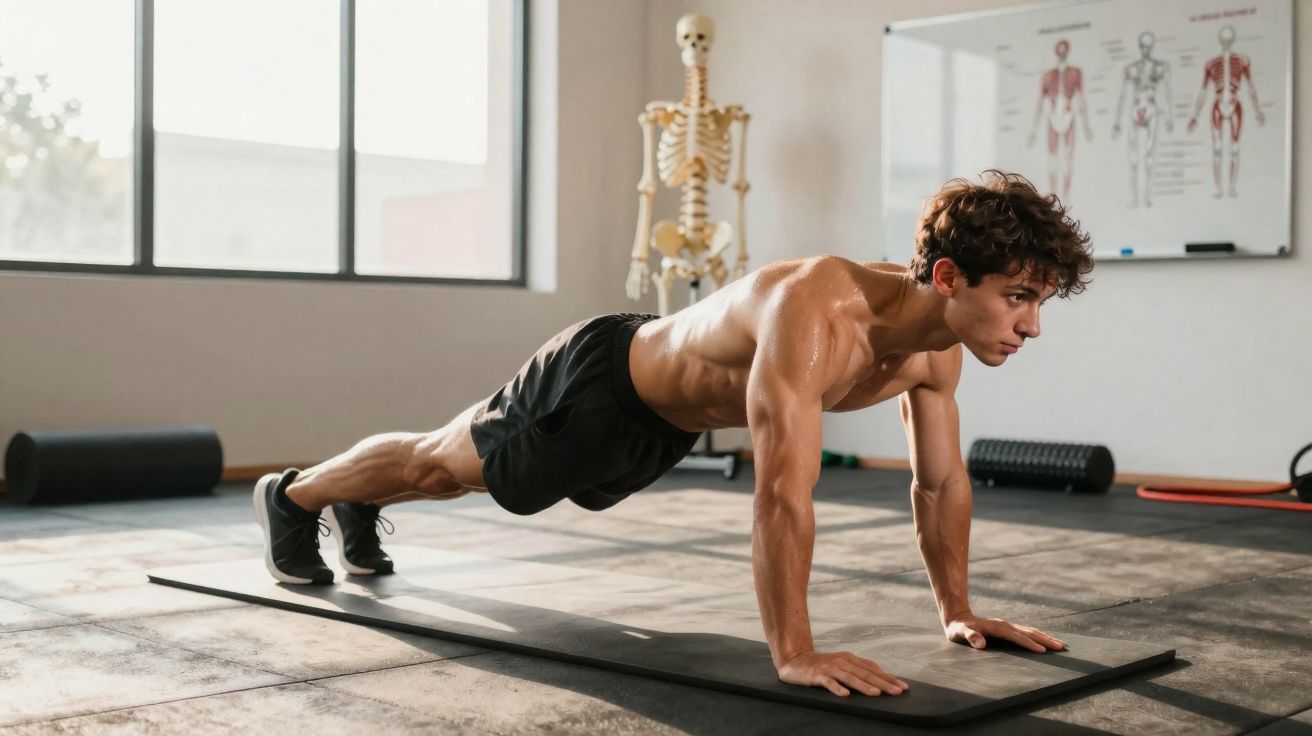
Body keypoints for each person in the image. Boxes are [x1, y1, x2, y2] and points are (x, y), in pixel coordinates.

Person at [254, 169, 1094, 699]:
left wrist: (958, 611)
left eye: (1040, 302)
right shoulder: (817, 312)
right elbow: (781, 493)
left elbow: (939, 484)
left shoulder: (934, 355)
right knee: (441, 466)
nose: (1031, 325)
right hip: (601, 383)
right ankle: (295, 496)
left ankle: (354, 505)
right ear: (947, 276)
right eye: (1018, 297)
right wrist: (795, 653)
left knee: (450, 474)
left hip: (664, 427)